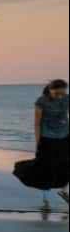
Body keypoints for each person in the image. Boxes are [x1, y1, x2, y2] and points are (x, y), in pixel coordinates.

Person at [33, 79, 69, 210]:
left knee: (66, 164)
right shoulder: (41, 101)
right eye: (56, 93)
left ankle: (64, 191)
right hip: (47, 138)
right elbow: (37, 123)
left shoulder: (66, 98)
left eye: (62, 93)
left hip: (65, 135)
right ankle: (46, 201)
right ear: (50, 90)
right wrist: (38, 143)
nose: (60, 96)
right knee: (46, 168)